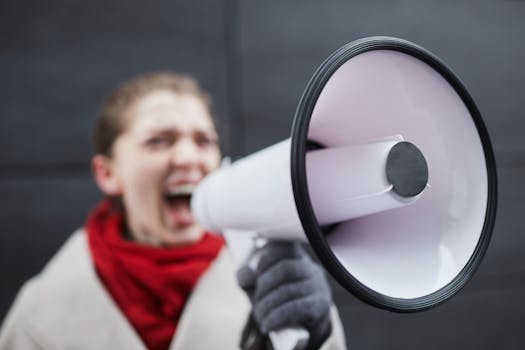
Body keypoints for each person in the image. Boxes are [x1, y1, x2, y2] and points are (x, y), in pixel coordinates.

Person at [0, 72, 347, 349]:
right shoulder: (40, 313)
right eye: (159, 141)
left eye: (203, 141)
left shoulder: (278, 280)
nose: (188, 158)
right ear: (108, 173)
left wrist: (315, 337)